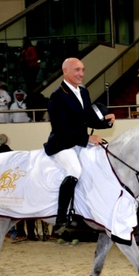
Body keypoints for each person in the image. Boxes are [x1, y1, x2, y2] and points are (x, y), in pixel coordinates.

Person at [44, 58, 115, 237]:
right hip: (62, 143)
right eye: (76, 70)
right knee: (74, 169)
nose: (81, 74)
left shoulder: (83, 92)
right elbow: (61, 126)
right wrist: (88, 138)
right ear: (65, 71)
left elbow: (88, 119)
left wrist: (106, 123)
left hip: (79, 141)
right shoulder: (57, 96)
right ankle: (61, 218)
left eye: (82, 69)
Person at [0, 133, 37, 242]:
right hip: (23, 189)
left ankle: (23, 234)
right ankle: (29, 234)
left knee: (20, 213)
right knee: (26, 213)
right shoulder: (16, 160)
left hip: (20, 189)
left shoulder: (7, 163)